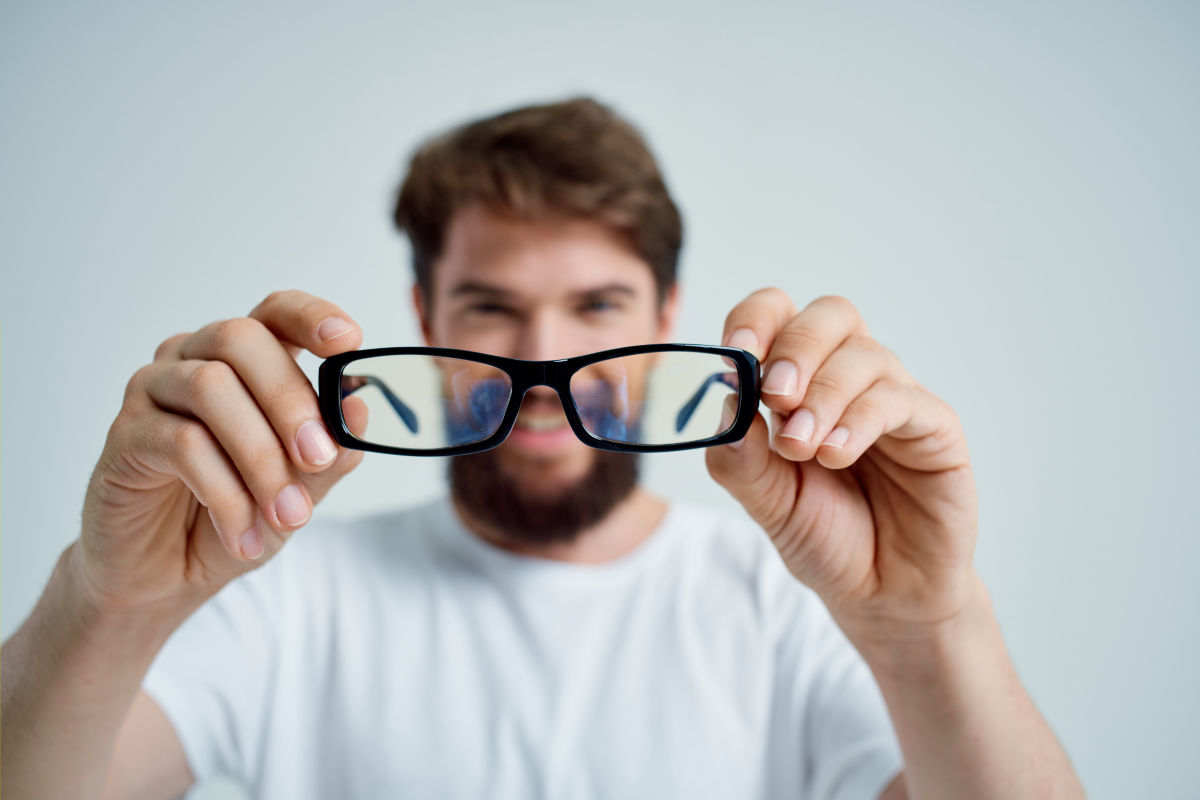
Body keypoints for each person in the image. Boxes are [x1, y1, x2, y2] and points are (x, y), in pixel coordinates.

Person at [0, 98, 1085, 800]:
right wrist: (106, 598)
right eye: (491, 306)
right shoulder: (278, 582)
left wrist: (932, 627)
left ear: (669, 309)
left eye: (598, 303)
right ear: (425, 315)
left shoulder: (792, 601)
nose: (544, 361)